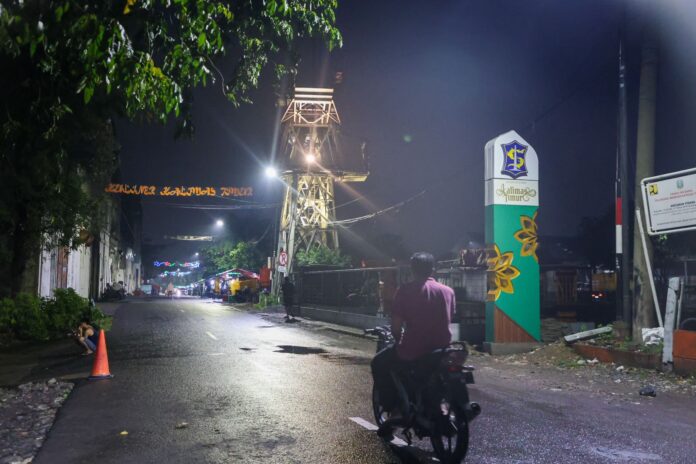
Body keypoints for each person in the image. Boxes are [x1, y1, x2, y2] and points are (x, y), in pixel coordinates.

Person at [370, 252, 455, 424]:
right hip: (443, 348)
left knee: (379, 363)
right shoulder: (448, 291)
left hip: (414, 349)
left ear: (412, 270)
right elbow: (449, 317)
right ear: (433, 269)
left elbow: (396, 327)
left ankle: (394, 409)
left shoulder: (405, 291)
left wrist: (398, 340)